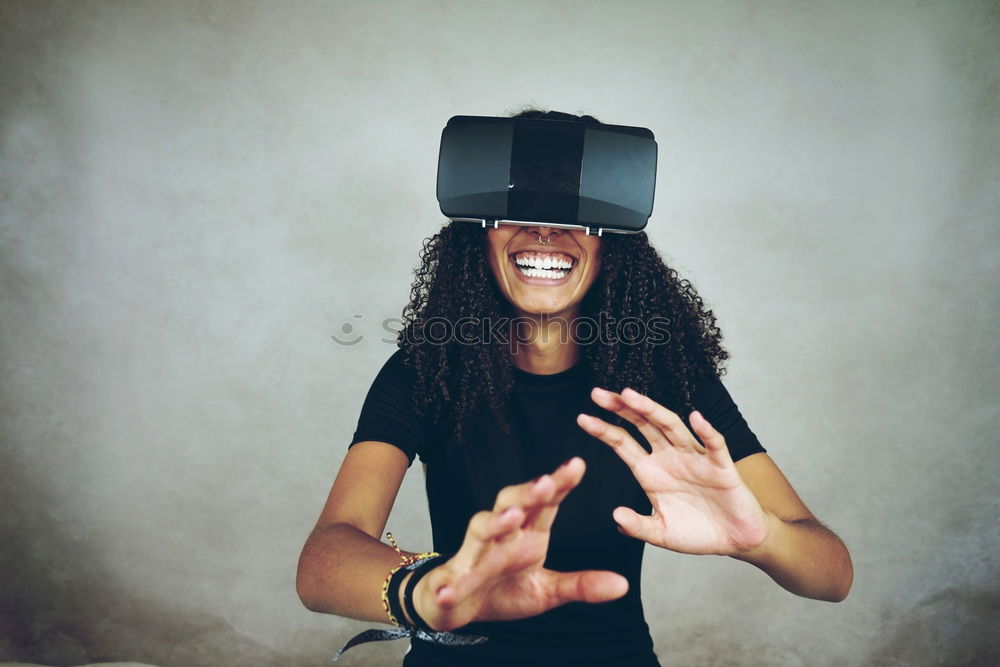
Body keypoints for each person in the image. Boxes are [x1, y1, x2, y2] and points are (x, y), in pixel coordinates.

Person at [297, 110, 853, 666]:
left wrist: (761, 540)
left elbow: (831, 575)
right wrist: (428, 591)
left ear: (612, 246)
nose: (545, 232)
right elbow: (324, 560)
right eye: (515, 212)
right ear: (479, 237)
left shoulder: (666, 381)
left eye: (576, 218)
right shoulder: (428, 370)